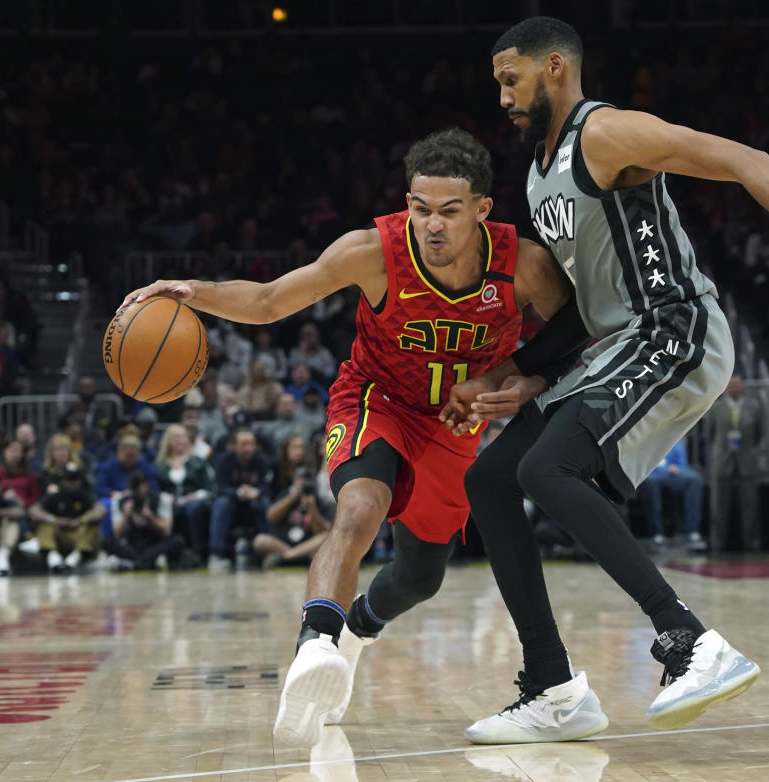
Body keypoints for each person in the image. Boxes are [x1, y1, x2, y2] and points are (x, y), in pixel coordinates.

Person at [440, 17, 769, 740]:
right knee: (490, 479)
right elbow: (582, 308)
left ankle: (690, 641)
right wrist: (518, 373)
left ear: (554, 68)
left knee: (550, 469)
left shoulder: (607, 134)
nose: (504, 96)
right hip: (619, 343)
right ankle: (553, 688)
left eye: (511, 79)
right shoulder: (539, 171)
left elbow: (748, 159)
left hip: (677, 328)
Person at [118, 127, 574, 748]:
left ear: (483, 211)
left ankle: (357, 628)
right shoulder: (373, 250)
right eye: (419, 208)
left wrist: (513, 377)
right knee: (359, 510)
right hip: (374, 399)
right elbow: (272, 299)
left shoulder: (522, 264)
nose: (431, 225)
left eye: (449, 211)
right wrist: (193, 293)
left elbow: (573, 333)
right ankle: (315, 647)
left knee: (420, 577)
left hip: (452, 425)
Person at [706, 375, 765, 552]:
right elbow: (710, 434)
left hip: (746, 460)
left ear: (743, 388)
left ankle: (751, 543)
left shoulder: (754, 407)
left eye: (738, 386)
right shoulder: (715, 408)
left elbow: (758, 434)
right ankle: (717, 544)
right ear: (725, 388)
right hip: (722, 460)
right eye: (731, 386)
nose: (735, 389)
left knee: (750, 505)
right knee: (718, 506)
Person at [208, 427, 273, 570]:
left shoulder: (263, 461)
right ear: (233, 446)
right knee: (221, 503)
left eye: (252, 444)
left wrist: (257, 492)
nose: (249, 448)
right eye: (244, 444)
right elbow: (220, 488)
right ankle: (217, 553)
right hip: (232, 503)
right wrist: (239, 492)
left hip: (254, 503)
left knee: (265, 502)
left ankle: (269, 552)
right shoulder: (223, 461)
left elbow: (268, 487)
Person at [28, 462, 104, 573]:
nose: (72, 483)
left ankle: (75, 558)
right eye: (68, 479)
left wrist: (80, 521)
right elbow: (33, 510)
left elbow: (100, 511)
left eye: (75, 479)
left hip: (77, 536)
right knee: (44, 523)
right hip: (58, 537)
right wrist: (54, 520)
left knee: (92, 524)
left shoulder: (85, 495)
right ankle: (53, 558)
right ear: (61, 480)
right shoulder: (53, 496)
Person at [155, 424, 215, 566]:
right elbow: (155, 489)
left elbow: (209, 487)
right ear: (168, 441)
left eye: (182, 437)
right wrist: (166, 497)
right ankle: (167, 555)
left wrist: (195, 496)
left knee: (194, 509)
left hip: (195, 501)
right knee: (164, 510)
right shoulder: (160, 465)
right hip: (169, 503)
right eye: (175, 438)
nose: (179, 441)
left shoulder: (198, 461)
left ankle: (198, 552)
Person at [105, 470, 185, 571]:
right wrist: (126, 516)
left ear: (146, 485)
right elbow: (118, 534)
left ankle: (131, 564)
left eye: (139, 488)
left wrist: (150, 518)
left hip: (153, 544)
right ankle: (147, 563)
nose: (137, 493)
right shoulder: (121, 501)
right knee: (106, 542)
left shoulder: (160, 499)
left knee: (178, 541)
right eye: (134, 489)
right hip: (132, 545)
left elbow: (166, 531)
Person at [637, 439, 707, 551]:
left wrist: (677, 469)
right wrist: (665, 469)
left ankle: (692, 532)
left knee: (695, 479)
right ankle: (657, 534)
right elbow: (643, 463)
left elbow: (682, 463)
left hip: (672, 475)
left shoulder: (674, 437)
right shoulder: (647, 437)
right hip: (652, 474)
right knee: (651, 483)